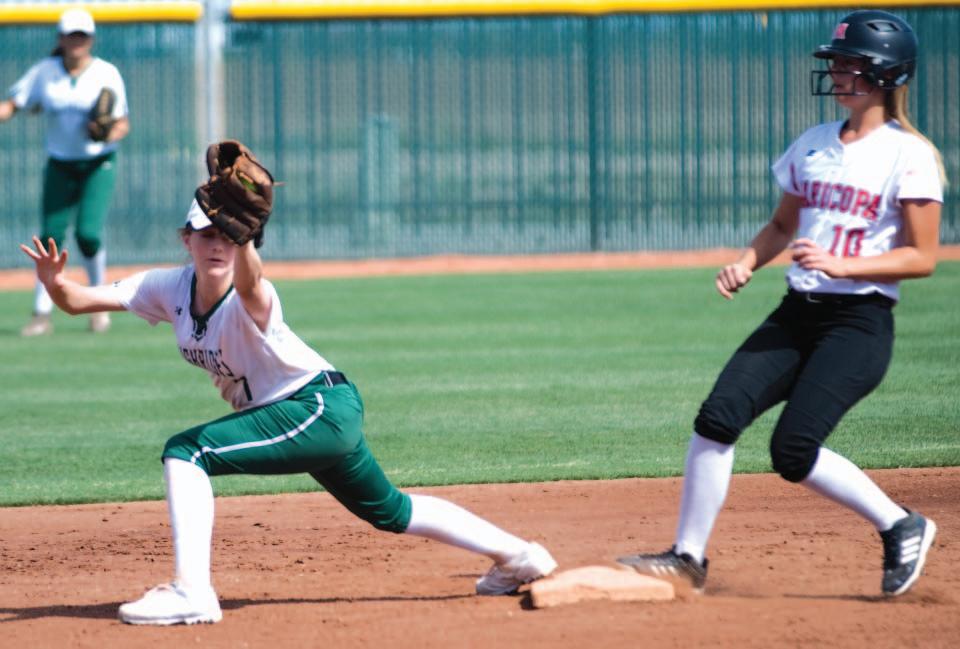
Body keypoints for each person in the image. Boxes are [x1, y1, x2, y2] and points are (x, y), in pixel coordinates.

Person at [19, 160, 557, 624]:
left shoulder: (252, 293)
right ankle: (518, 556)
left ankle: (191, 591)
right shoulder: (167, 287)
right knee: (391, 510)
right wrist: (53, 283)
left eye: (229, 234)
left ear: (245, 239)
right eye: (206, 233)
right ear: (186, 239)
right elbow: (78, 301)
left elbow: (251, 282)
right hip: (310, 416)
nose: (217, 244)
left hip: (314, 407)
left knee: (187, 452)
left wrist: (247, 235)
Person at [617, 10, 943, 598]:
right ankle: (687, 557)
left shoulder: (910, 155)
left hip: (858, 323)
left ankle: (900, 524)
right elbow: (781, 225)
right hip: (796, 313)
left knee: (793, 450)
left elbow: (922, 257)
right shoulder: (813, 144)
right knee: (717, 418)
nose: (837, 72)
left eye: (851, 63)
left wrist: (844, 265)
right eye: (836, 62)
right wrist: (747, 262)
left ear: (887, 74)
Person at [1, 8, 129, 336]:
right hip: (60, 163)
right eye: (71, 35)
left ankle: (99, 307)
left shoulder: (106, 73)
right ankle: (41, 313)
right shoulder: (45, 72)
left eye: (82, 35)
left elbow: (122, 124)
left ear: (91, 39)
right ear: (61, 38)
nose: (76, 41)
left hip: (97, 163)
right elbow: (14, 104)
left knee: (88, 235)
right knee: (50, 237)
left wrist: (105, 133)